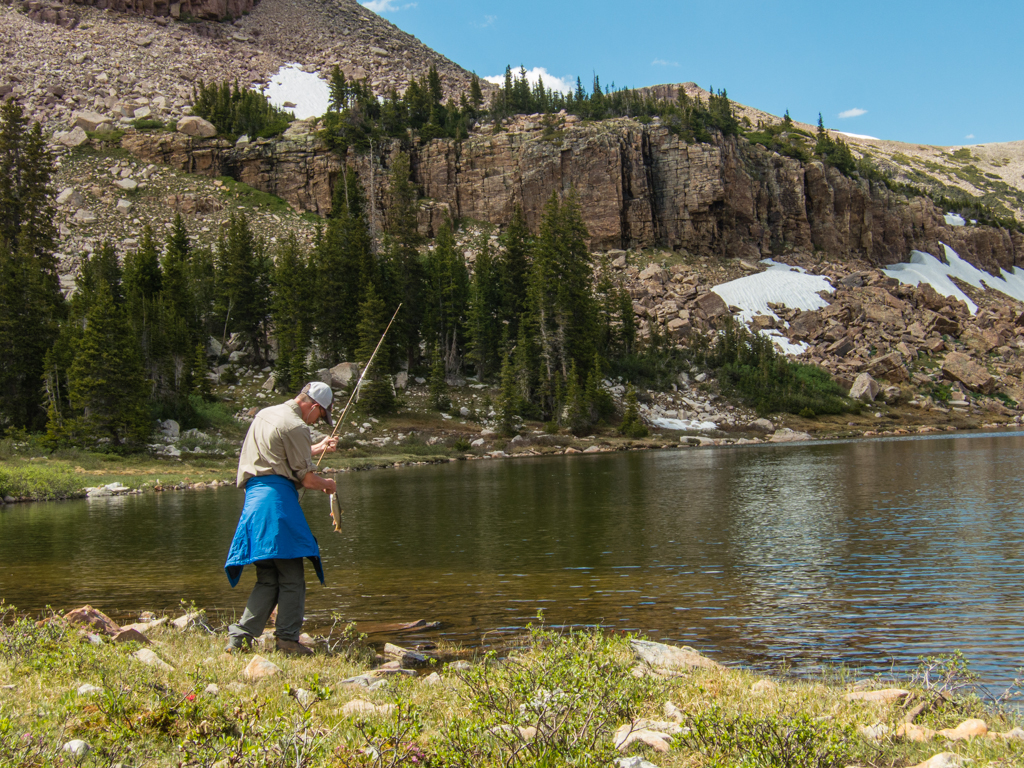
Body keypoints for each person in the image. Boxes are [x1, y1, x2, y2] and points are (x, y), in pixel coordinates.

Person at [224, 381, 339, 655]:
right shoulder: (297, 426)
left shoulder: (266, 413)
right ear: (312, 406)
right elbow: (308, 479)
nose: (319, 421)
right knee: (291, 576)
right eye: (320, 416)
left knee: (268, 577)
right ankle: (287, 640)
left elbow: (277, 453)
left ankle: (239, 639)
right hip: (276, 504)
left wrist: (315, 447)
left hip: (254, 504)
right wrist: (329, 485)